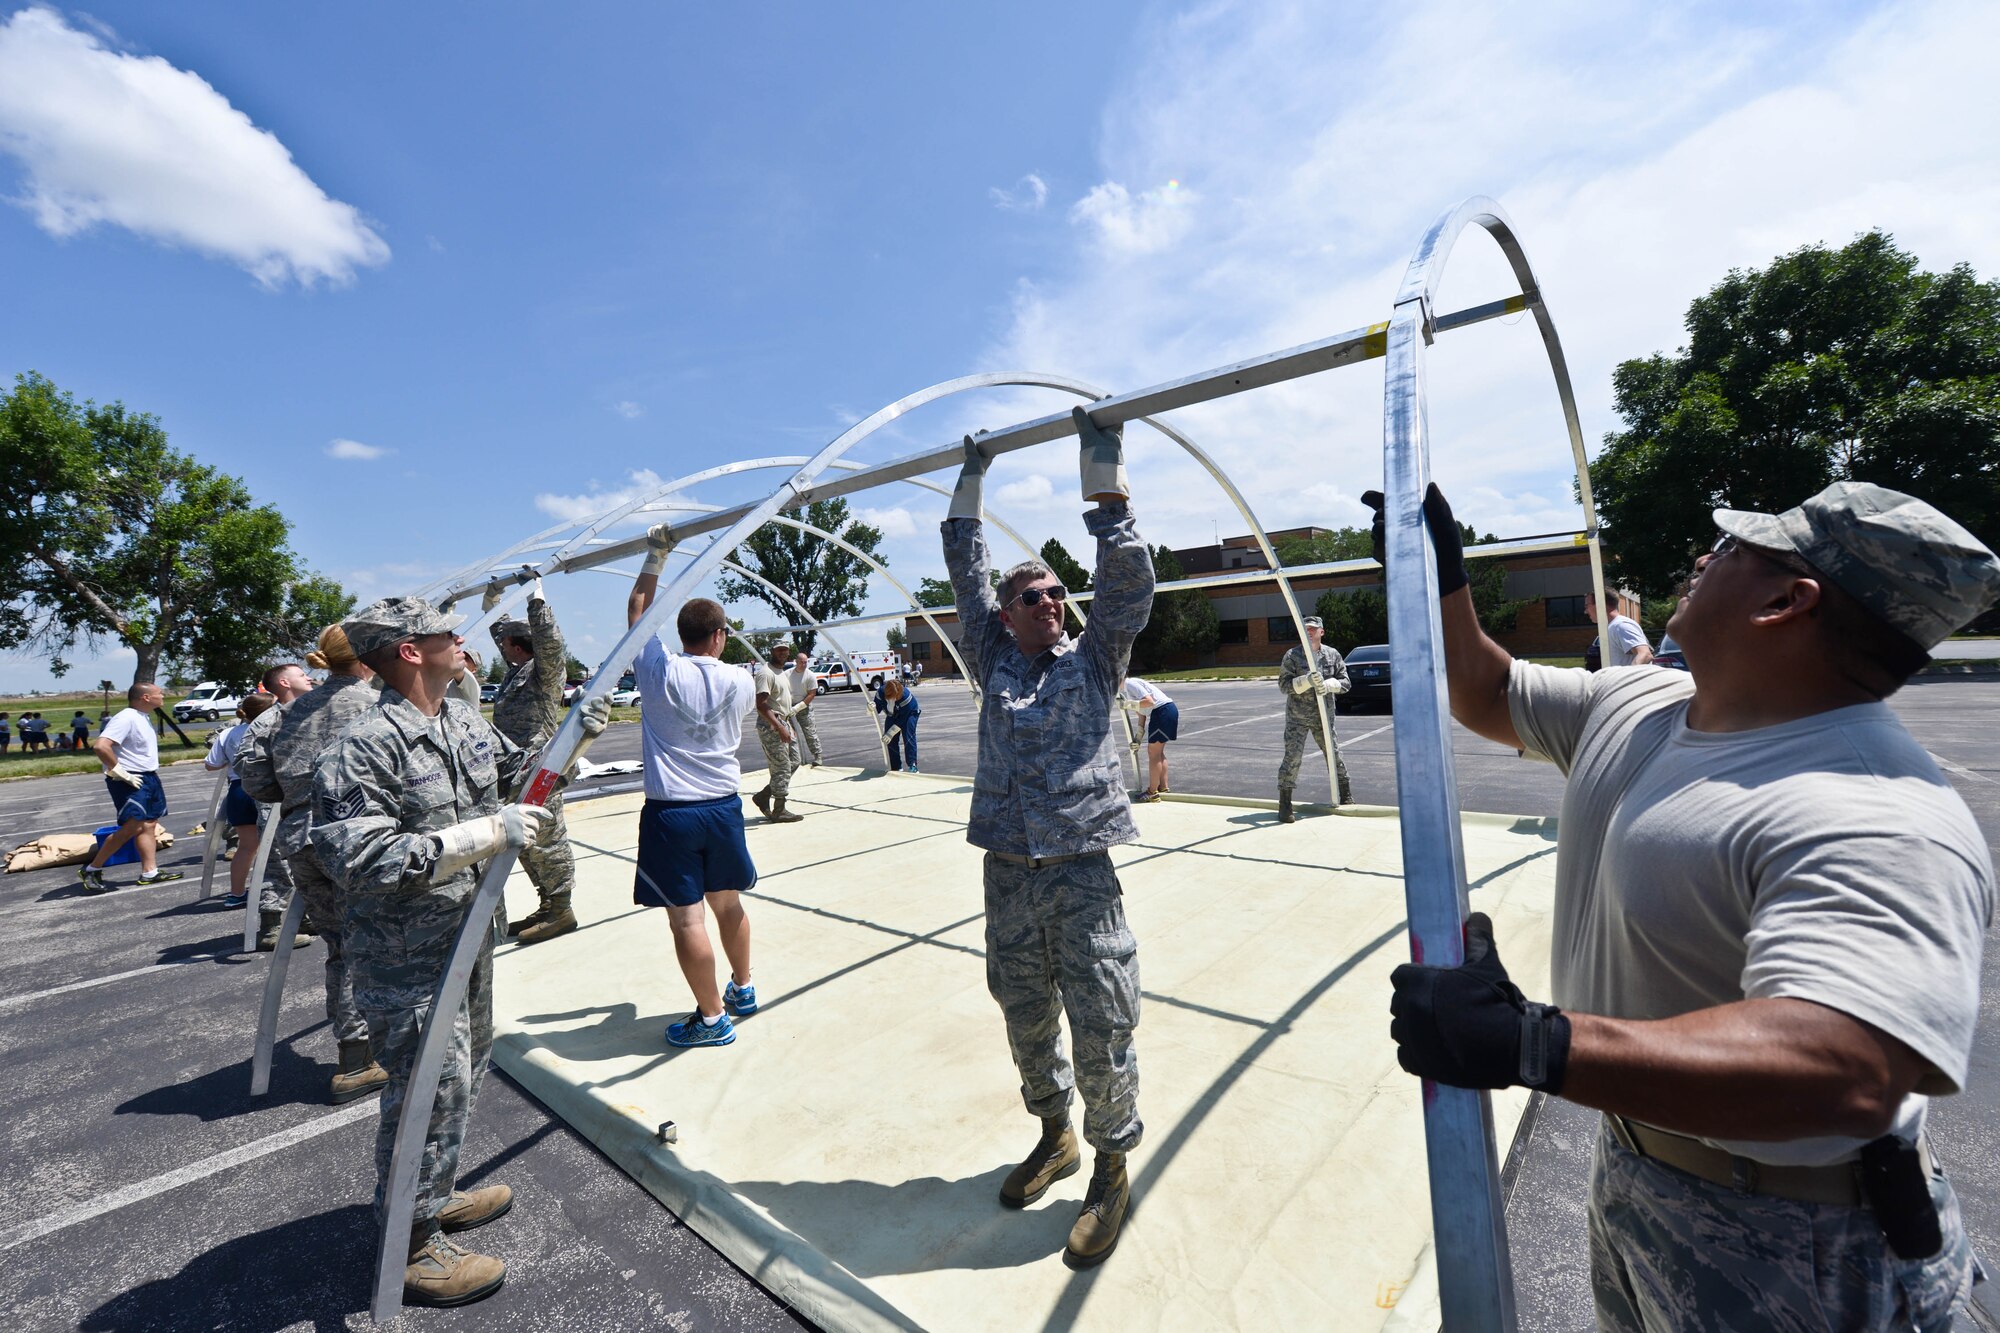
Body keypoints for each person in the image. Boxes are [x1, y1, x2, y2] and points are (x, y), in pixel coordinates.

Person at [1375, 481, 2000, 1331]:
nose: (1709, 557)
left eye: (1741, 549)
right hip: (1641, 1167)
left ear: (1787, 601)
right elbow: (1485, 692)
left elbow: (1843, 1068)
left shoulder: (1877, 811)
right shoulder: (1639, 704)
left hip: (1797, 1240)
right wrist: (1438, 584)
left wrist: (1533, 1041)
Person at [311, 597, 603, 1308]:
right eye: (447, 633)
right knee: (426, 1091)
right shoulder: (364, 742)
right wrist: (480, 837)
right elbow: (358, 855)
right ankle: (409, 1245)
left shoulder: (461, 720)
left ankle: (432, 1193)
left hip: (467, 938)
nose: (462, 641)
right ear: (410, 650)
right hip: (407, 955)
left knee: (464, 1075)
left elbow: (518, 780)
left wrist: (571, 742)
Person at [942, 406, 1153, 1268]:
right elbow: (964, 559)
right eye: (1035, 597)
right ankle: (1057, 1134)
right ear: (1006, 613)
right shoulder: (992, 659)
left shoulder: (1093, 658)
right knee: (1025, 1013)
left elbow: (1130, 581)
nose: (1054, 604)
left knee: (1101, 1017)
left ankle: (1110, 1168)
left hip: (1080, 873)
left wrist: (1101, 471)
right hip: (1008, 872)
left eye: (1059, 593)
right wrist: (974, 470)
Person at [626, 527, 778, 1049]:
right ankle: (743, 987)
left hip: (673, 813)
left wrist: (656, 555)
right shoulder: (739, 678)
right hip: (723, 808)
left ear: (683, 634)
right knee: (729, 904)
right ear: (720, 635)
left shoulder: (658, 670)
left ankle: (712, 1020)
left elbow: (637, 612)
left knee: (687, 919)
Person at [239, 636, 387, 1097]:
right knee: (388, 945)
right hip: (362, 838)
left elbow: (256, 776)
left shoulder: (284, 713)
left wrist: (298, 801)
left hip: (303, 842)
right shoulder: (380, 704)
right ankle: (391, 1047)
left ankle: (355, 1055)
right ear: (368, 657)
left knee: (342, 947)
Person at [486, 578, 582, 944]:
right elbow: (503, 633)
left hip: (541, 769)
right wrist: (493, 603)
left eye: (506, 643)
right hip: (515, 771)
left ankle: (561, 909)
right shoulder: (516, 671)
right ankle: (548, 904)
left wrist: (536, 598)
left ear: (517, 646)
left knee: (548, 840)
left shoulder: (544, 673)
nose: (501, 647)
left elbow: (551, 642)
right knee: (526, 842)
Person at [203, 694, 300, 931]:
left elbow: (210, 764)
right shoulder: (273, 726)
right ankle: (282, 900)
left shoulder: (228, 733)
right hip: (264, 791)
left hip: (237, 790)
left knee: (246, 847)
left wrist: (231, 760)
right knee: (277, 851)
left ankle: (236, 894)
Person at [78, 685, 183, 892]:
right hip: (129, 780)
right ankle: (92, 868)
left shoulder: (141, 716)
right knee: (132, 827)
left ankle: (149, 872)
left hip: (148, 776)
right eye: (159, 693)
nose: (163, 696)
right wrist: (120, 772)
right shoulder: (125, 718)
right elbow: (101, 746)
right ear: (146, 697)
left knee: (149, 825)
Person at [1275, 615, 1352, 822]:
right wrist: (1305, 681)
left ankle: (1345, 796)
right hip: (1297, 718)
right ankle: (1285, 803)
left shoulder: (1332, 655)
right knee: (1292, 758)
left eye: (1312, 629)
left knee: (1334, 755)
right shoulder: (1292, 656)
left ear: (1321, 632)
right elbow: (1284, 685)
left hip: (1323, 718)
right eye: (1305, 629)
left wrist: (1328, 685)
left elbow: (1346, 682)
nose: (1309, 632)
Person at [750, 643, 803, 824]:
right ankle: (779, 809)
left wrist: (787, 724)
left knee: (795, 761)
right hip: (771, 725)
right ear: (771, 651)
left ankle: (764, 796)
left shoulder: (781, 672)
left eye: (785, 650)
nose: (783, 653)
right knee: (782, 766)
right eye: (779, 649)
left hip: (783, 722)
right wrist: (779, 727)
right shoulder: (766, 673)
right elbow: (761, 704)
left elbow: (782, 702)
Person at [1119, 676, 1177, 801]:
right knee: (1158, 752)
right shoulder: (1128, 689)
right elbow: (1142, 715)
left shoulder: (1130, 684)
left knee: (1153, 753)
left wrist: (1127, 704)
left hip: (1162, 711)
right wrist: (1138, 738)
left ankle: (1152, 792)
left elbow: (1149, 702)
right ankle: (1163, 787)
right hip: (1166, 711)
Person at [1587, 589, 1654, 667]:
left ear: (1601, 604)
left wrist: (1627, 676)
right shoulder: (1612, 627)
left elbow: (1645, 654)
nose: (1585, 611)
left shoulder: (1621, 625)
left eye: (1587, 605)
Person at [783, 652, 823, 767]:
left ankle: (817, 756)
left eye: (806, 662)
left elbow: (812, 694)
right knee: (790, 734)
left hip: (804, 706)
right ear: (796, 662)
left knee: (810, 732)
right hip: (789, 706)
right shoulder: (787, 674)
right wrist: (789, 706)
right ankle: (794, 758)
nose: (804, 664)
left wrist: (798, 707)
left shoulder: (810, 675)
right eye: (802, 662)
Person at [876, 675, 920, 772]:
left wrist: (891, 732)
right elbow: (876, 709)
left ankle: (912, 765)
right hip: (893, 714)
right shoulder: (880, 693)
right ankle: (896, 767)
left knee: (908, 736)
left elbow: (903, 720)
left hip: (909, 713)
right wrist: (871, 708)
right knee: (889, 740)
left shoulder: (905, 696)